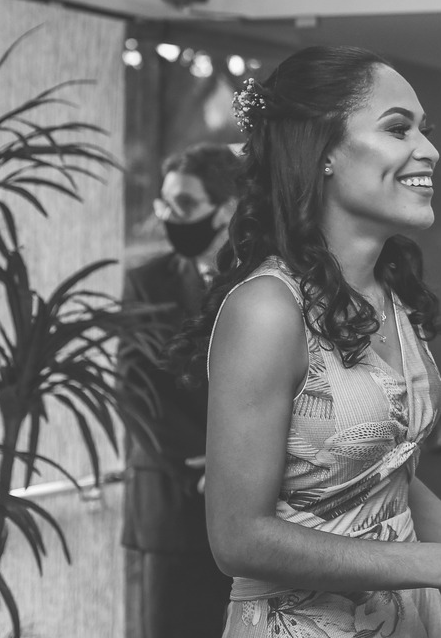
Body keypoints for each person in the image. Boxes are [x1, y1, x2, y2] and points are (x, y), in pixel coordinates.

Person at [171, 46, 441, 637]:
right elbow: (237, 537)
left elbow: (389, 483)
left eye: (424, 130)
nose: (429, 150)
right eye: (397, 128)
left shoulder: (389, 296)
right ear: (323, 152)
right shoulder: (267, 309)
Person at [119, 142, 241, 638]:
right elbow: (135, 391)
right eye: (164, 204)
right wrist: (210, 462)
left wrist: (241, 462)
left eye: (184, 204)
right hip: (173, 505)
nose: (169, 217)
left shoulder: (264, 280)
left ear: (226, 207)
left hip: (263, 508)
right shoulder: (145, 282)